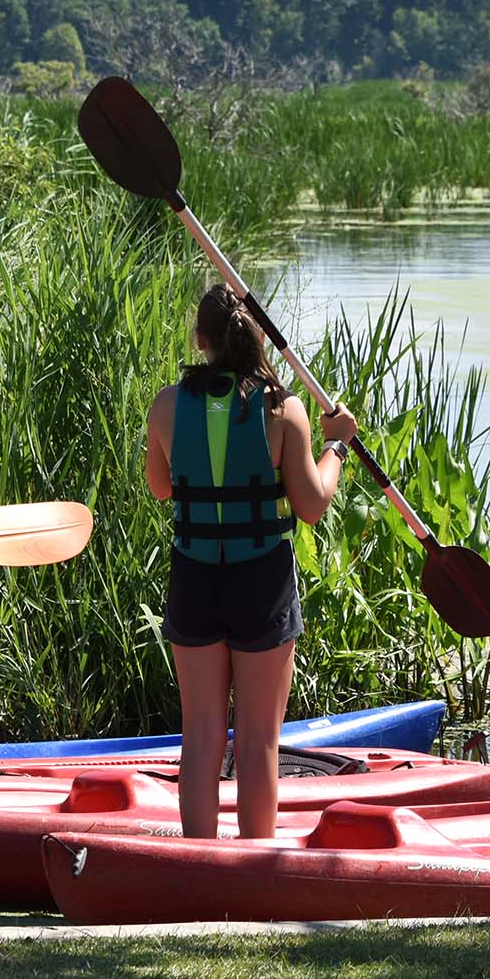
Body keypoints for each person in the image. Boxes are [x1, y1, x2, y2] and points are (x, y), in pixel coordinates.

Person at [143, 285, 358, 840]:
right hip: (260, 579)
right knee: (259, 738)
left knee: (201, 735)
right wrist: (337, 446)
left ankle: (198, 863)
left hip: (195, 577)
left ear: (201, 340)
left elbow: (160, 488)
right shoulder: (283, 409)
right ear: (258, 337)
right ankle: (254, 864)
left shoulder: (166, 405)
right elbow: (312, 506)